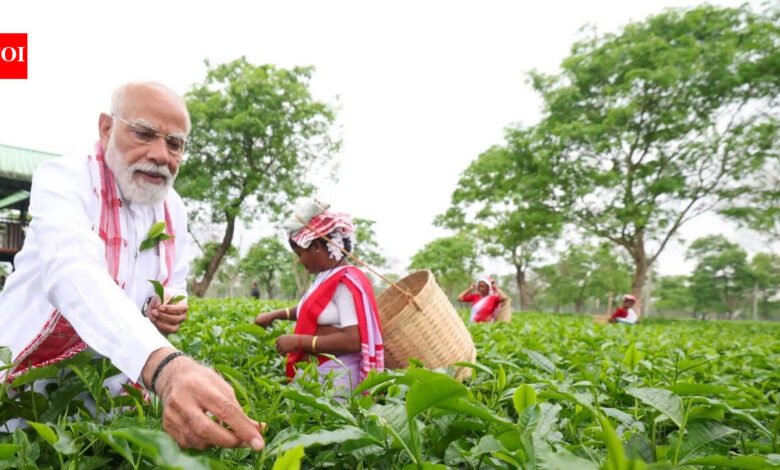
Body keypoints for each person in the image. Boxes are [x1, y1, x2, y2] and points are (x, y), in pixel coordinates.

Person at [0, 82, 264, 451]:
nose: (160, 155)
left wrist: (171, 305)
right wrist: (166, 367)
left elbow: (174, 282)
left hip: (114, 386)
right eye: (144, 133)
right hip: (31, 385)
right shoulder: (65, 178)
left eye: (175, 143)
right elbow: (71, 269)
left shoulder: (173, 207)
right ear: (106, 128)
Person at [254, 198, 383, 393]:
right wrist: (274, 315)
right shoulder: (326, 276)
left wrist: (298, 341)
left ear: (316, 246)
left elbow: (353, 340)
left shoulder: (344, 282)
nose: (300, 261)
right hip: (322, 375)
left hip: (339, 380)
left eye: (300, 254)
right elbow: (311, 310)